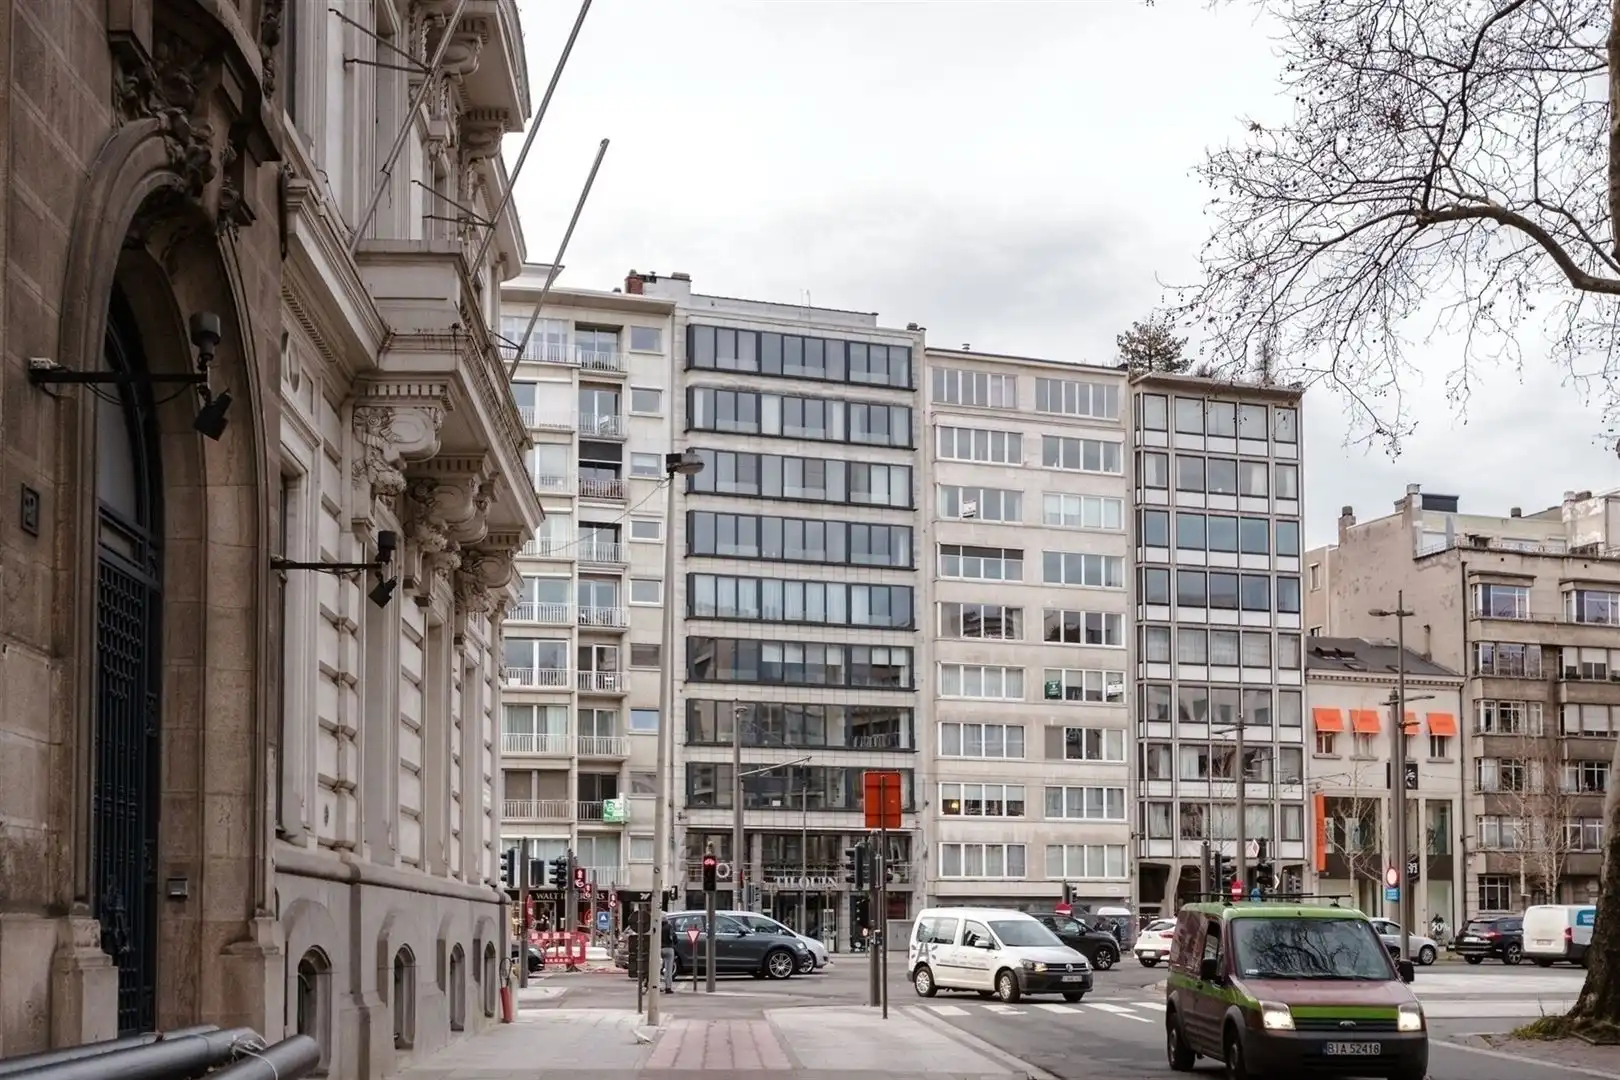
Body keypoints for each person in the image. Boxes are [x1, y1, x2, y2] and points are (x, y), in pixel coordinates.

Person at [659, 915, 677, 993]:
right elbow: (674, 938)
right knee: (668, 969)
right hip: (669, 949)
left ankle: (656, 985)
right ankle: (668, 987)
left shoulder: (657, 927)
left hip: (658, 949)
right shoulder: (669, 927)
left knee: (656, 968)